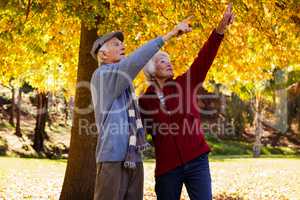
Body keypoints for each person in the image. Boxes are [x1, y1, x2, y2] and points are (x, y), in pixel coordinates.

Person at [139, 3, 235, 200]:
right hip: (167, 168)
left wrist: (219, 30)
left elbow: (204, 58)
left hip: (197, 160)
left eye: (169, 60)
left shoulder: (185, 83)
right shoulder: (145, 102)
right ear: (151, 70)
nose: (169, 63)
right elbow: (138, 131)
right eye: (162, 61)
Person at [90, 17, 192, 200]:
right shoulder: (103, 75)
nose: (122, 46)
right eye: (115, 44)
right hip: (112, 159)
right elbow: (133, 63)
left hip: (133, 158)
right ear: (103, 54)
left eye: (122, 43)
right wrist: (167, 36)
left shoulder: (125, 83)